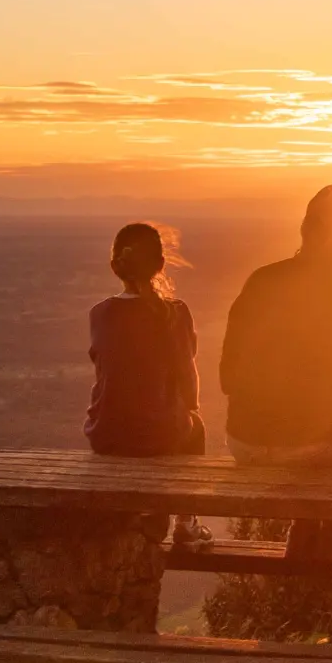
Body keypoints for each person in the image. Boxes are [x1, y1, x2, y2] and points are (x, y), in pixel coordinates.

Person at [220, 184, 332, 466]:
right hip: (314, 445)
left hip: (244, 442)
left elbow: (228, 376)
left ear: (306, 228)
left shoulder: (262, 280)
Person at [83, 223, 211, 549]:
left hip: (105, 433)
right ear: (160, 265)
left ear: (116, 266)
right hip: (159, 434)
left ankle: (143, 518)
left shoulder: (99, 314)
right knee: (196, 429)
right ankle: (187, 523)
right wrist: (186, 409)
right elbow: (188, 379)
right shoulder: (175, 313)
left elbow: (106, 371)